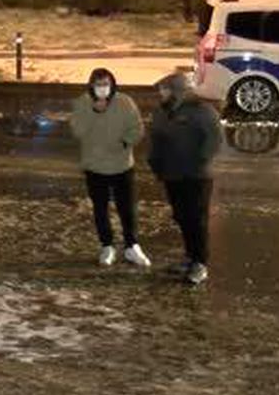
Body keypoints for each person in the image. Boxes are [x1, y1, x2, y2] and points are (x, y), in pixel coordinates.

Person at [69, 68, 150, 268]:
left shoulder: (125, 102)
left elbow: (137, 127)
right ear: (91, 85)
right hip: (94, 166)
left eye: (106, 84)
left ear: (112, 84)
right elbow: (77, 131)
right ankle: (107, 246)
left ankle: (132, 245)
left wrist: (125, 142)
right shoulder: (82, 103)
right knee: (100, 208)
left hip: (122, 164)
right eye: (98, 84)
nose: (102, 88)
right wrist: (94, 111)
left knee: (127, 207)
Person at [148, 72, 223, 285]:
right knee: (181, 217)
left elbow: (214, 139)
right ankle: (189, 257)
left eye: (164, 89)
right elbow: (156, 139)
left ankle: (200, 263)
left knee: (196, 220)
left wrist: (199, 161)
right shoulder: (162, 112)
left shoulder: (201, 111)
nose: (161, 93)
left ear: (177, 91)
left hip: (196, 176)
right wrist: (155, 162)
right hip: (172, 174)